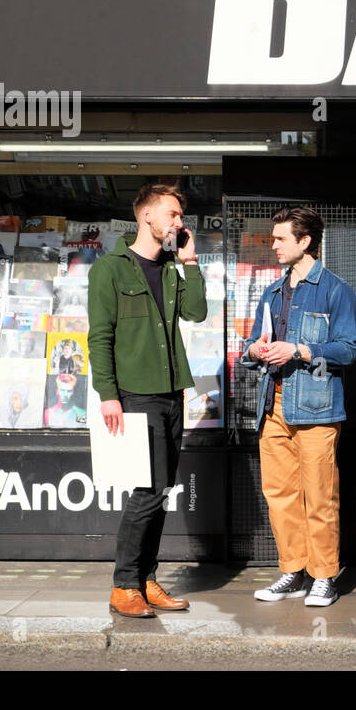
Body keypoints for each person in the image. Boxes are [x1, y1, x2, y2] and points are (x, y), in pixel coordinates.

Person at [89, 182, 208, 619]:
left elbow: (196, 313)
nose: (180, 222)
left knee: (161, 490)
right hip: (135, 394)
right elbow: (99, 337)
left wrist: (190, 262)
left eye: (180, 215)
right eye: (173, 214)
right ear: (147, 217)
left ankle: (145, 579)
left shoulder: (174, 266)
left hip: (172, 391)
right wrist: (108, 396)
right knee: (148, 491)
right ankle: (124, 586)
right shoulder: (111, 269)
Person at [239, 207, 356, 608]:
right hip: (272, 406)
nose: (272, 245)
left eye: (279, 239)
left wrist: (301, 350)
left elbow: (347, 350)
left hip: (317, 410)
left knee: (320, 496)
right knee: (280, 495)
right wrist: (256, 348)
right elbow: (252, 345)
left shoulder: (335, 289)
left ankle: (324, 575)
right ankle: (293, 571)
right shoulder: (272, 292)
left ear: (304, 241)